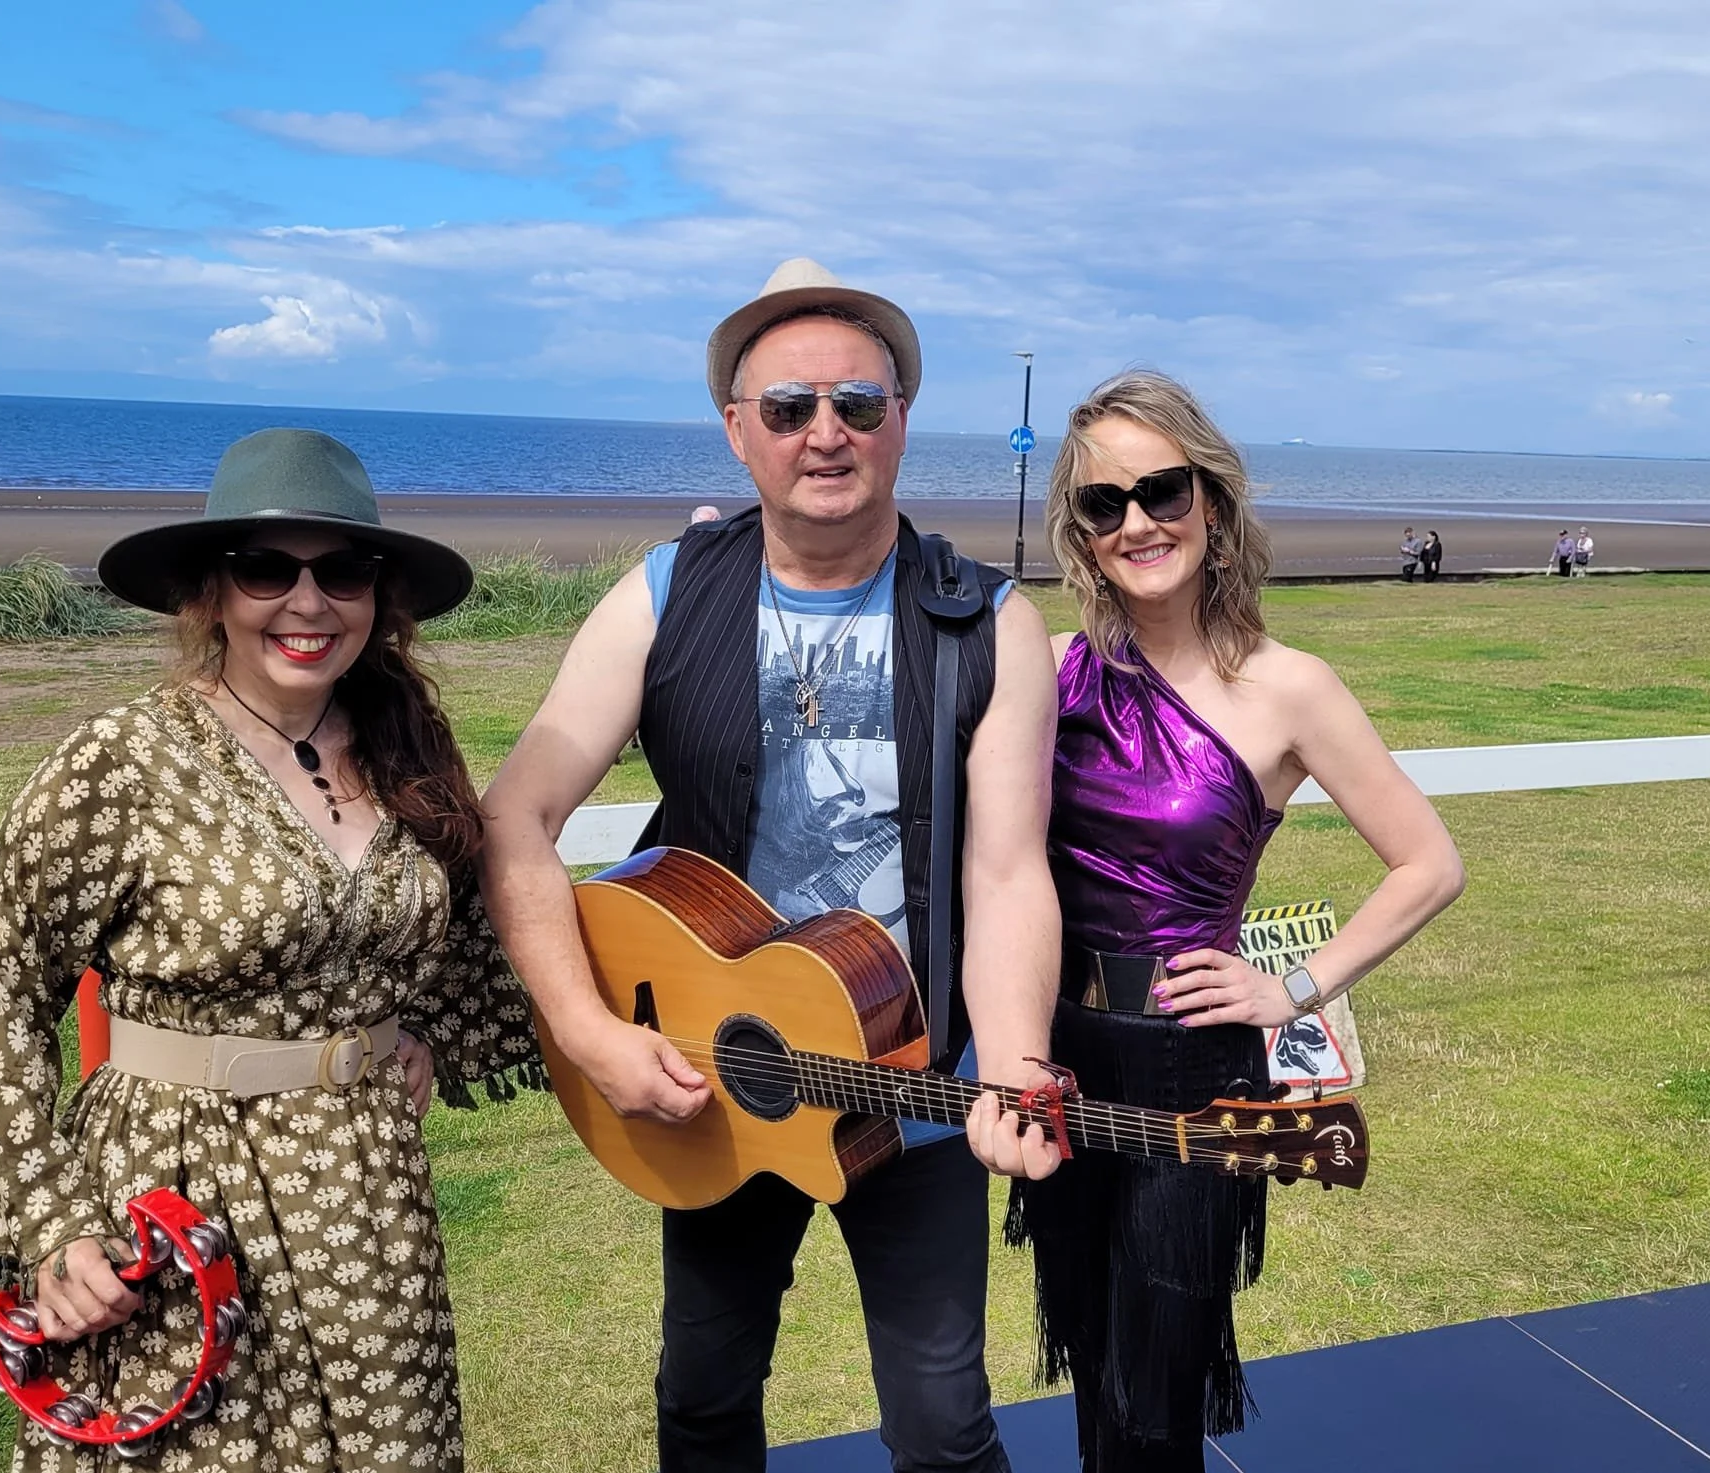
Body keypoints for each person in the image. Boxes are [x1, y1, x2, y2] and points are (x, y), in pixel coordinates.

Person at [478, 258, 1063, 1473]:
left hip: (916, 1090)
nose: (825, 432)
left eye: (857, 402)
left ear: (901, 419)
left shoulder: (991, 618)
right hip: (715, 1076)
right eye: (788, 408)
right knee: (699, 1396)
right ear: (737, 433)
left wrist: (1012, 1061)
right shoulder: (661, 592)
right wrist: (590, 1034)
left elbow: (1006, 872)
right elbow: (515, 817)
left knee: (944, 1430)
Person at [0, 428, 542, 1472]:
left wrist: (419, 1035)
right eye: (267, 568)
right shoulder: (119, 765)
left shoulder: (409, 747)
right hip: (181, 1198)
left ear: (379, 593)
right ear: (212, 592)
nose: (307, 604)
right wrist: (54, 1225)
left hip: (368, 1204)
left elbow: (440, 921)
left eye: (343, 570)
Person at [985, 370, 1464, 1473]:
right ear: (1081, 532)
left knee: (1157, 1396)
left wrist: (1289, 987)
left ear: (1210, 497)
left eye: (1160, 489)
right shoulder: (1054, 676)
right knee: (1093, 1371)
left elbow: (1426, 863)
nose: (1138, 522)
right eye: (1104, 505)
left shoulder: (1288, 688)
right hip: (1056, 1054)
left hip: (1192, 1067)